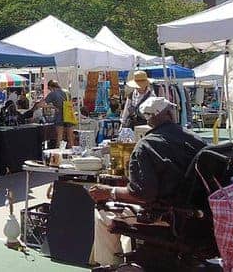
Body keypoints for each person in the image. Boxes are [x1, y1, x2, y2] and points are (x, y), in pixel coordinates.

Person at [88, 97, 205, 264]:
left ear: (149, 120)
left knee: (102, 212)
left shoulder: (146, 146)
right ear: (170, 115)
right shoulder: (196, 140)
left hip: (167, 216)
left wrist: (109, 192)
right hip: (198, 216)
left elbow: (142, 194)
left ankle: (110, 264)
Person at [41, 80, 76, 147]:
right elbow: (71, 103)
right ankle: (72, 154)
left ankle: (58, 154)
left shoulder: (53, 94)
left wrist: (52, 106)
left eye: (49, 89)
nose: (49, 90)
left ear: (51, 87)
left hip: (59, 115)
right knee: (70, 137)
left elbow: (41, 104)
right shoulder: (67, 92)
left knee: (59, 137)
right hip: (68, 115)